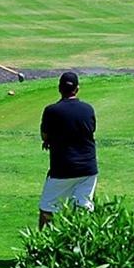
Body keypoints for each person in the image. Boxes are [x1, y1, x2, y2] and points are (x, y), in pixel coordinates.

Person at [38, 72, 98, 229]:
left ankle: (43, 243)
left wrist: (50, 141)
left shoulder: (51, 111)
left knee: (47, 210)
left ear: (59, 88)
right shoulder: (88, 109)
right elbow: (90, 130)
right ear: (77, 89)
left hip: (63, 170)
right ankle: (84, 242)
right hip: (88, 169)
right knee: (83, 209)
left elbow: (45, 135)